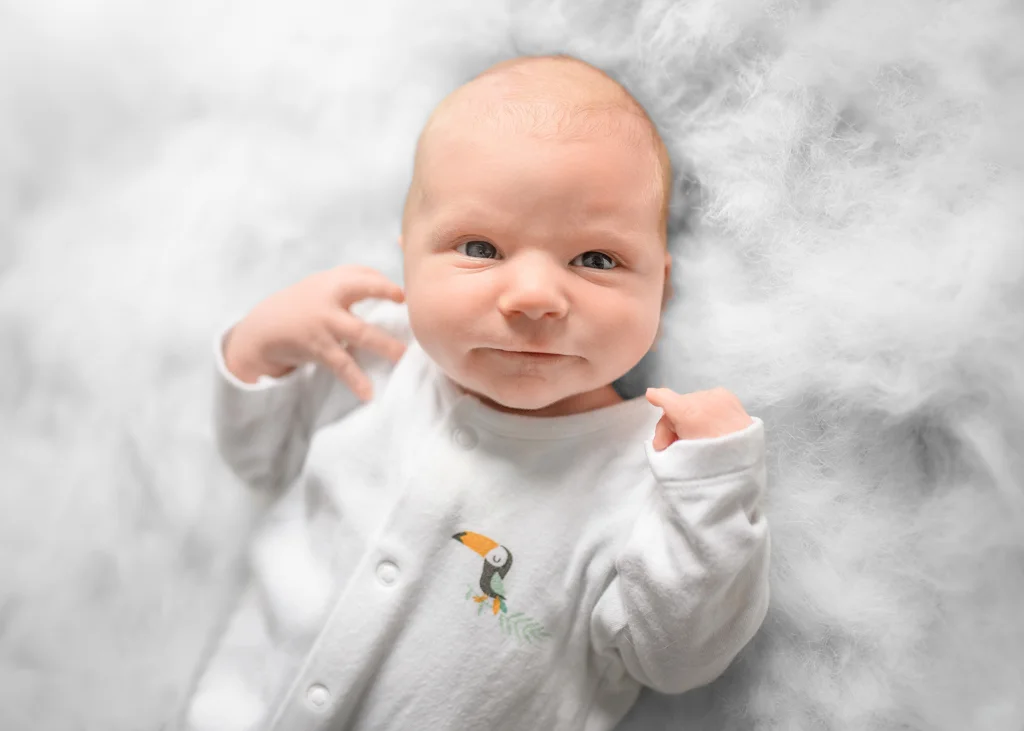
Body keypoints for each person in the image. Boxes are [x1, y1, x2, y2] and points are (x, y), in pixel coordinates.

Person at [181, 54, 770, 731]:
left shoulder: (646, 476)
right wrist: (259, 347)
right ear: (409, 257)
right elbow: (256, 460)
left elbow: (677, 660)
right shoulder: (373, 351)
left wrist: (714, 496)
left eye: (596, 259)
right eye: (481, 247)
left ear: (660, 286)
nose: (534, 297)